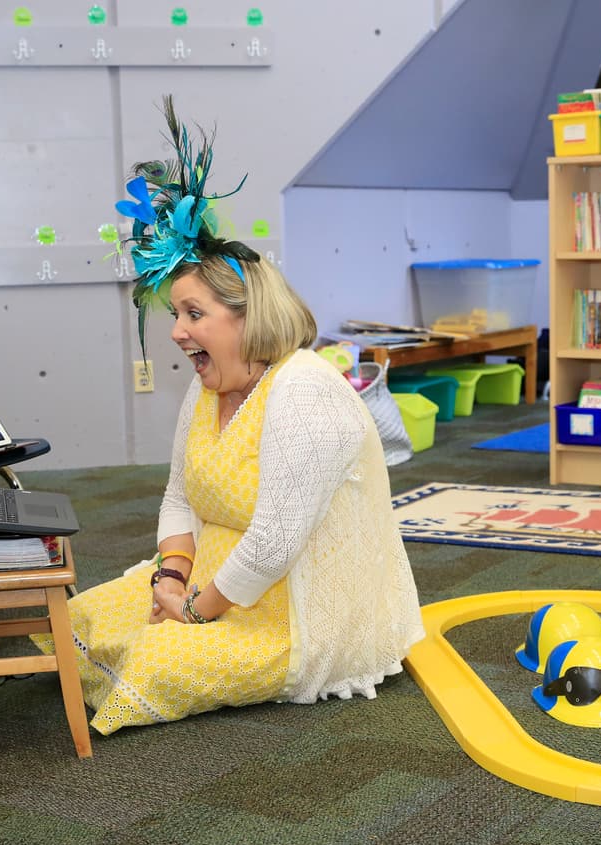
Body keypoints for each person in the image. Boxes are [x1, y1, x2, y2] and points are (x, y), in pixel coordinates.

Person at [36, 97, 424, 735]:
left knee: (152, 661)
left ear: (249, 317)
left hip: (297, 612)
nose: (177, 332)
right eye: (176, 316)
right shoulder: (209, 384)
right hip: (207, 582)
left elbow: (273, 544)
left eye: (194, 315)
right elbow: (178, 497)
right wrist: (170, 577)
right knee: (79, 620)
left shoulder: (305, 390)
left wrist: (191, 613)